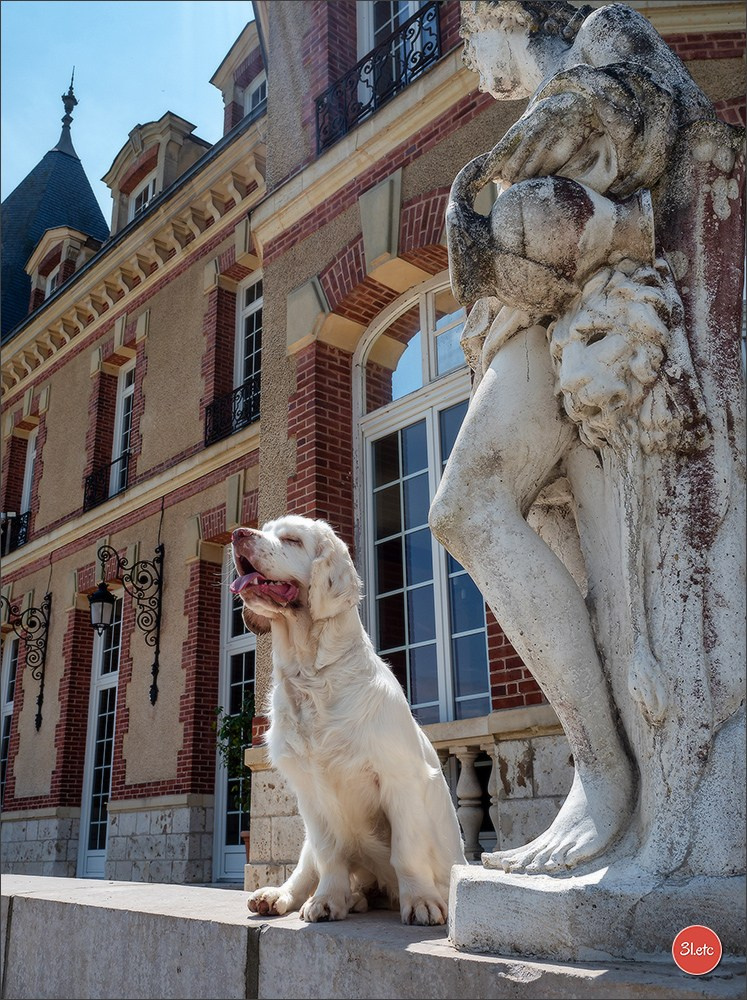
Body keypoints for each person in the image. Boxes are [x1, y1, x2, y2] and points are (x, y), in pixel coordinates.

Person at [430, 0, 742, 874]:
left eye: (468, 35)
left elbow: (660, 123)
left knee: (466, 508)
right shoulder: (536, 111)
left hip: (571, 318)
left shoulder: (600, 32)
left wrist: (512, 180)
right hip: (528, 324)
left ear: (504, 15)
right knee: (581, 572)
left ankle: (601, 777)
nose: (467, 57)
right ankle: (606, 778)